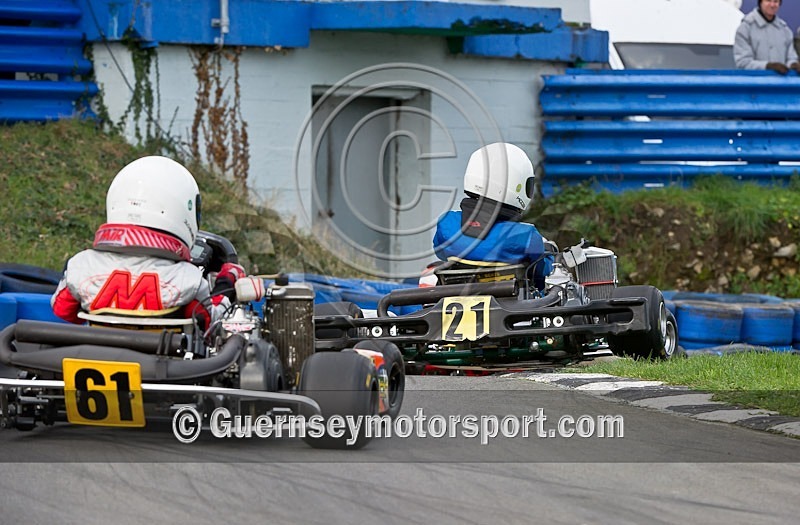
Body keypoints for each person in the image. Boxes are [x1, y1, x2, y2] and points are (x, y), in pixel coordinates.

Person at [51, 155, 245, 327]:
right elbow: (213, 322)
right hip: (164, 356)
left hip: (95, 353)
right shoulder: (188, 279)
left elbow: (63, 311)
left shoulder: (81, 266)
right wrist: (226, 283)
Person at [432, 142, 553, 290]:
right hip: (509, 303)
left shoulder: (447, 223)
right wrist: (548, 251)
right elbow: (542, 271)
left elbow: (442, 254)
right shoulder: (526, 235)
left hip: (452, 301)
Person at [734, 0, 800, 73]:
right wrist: (767, 66)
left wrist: (793, 64)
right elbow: (743, 62)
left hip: (781, 80)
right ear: (760, 2)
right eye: (768, 1)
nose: (772, 5)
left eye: (776, 1)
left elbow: (791, 57)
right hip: (754, 79)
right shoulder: (746, 28)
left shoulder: (785, 30)